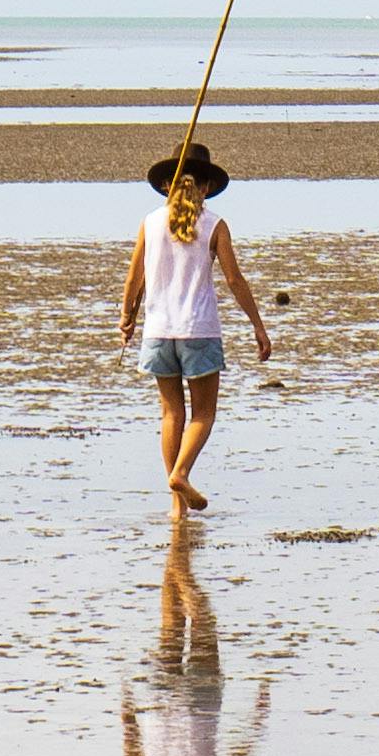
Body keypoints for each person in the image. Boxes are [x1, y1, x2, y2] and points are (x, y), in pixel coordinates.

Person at [120, 140, 279, 505]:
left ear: (167, 185)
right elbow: (235, 280)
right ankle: (181, 474)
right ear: (205, 186)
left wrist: (126, 318)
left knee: (171, 413)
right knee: (203, 414)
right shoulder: (214, 225)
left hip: (159, 333)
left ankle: (177, 506)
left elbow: (134, 279)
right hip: (199, 331)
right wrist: (258, 325)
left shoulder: (150, 222)